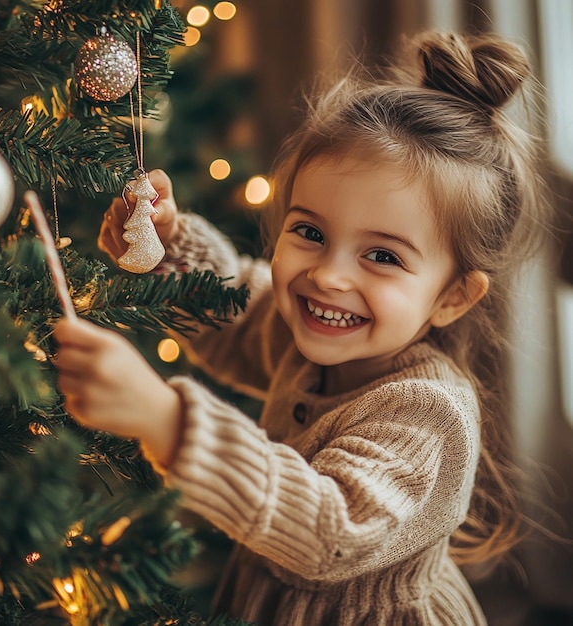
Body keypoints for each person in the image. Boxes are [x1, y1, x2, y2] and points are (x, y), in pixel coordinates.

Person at [54, 30, 551, 625]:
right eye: (311, 233)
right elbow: (238, 311)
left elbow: (328, 530)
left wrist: (169, 421)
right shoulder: (309, 333)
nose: (329, 277)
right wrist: (163, 250)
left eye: (384, 256)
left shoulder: (427, 412)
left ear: (451, 296)